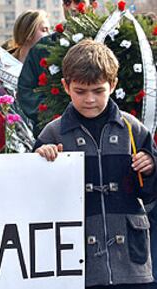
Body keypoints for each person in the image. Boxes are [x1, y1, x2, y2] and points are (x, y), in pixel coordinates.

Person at [35, 39, 157, 288]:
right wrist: (42, 160)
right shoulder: (53, 134)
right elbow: (38, 199)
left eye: (98, 91)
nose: (90, 99)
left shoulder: (133, 129)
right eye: (80, 91)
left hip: (132, 261)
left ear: (112, 85)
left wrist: (152, 167)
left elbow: (150, 193)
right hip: (78, 260)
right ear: (66, 86)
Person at [15, 0, 90, 130]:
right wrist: (54, 113)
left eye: (78, 2)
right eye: (67, 3)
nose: (72, 8)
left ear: (93, 4)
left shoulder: (110, 39)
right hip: (56, 132)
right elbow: (26, 91)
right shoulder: (42, 48)